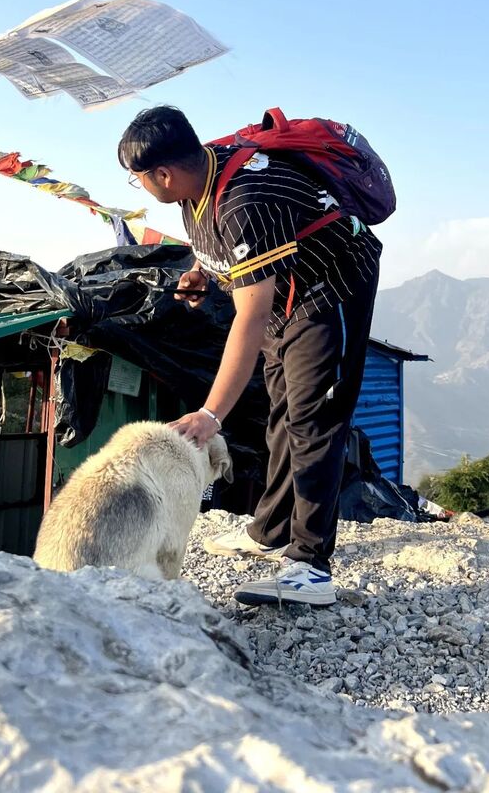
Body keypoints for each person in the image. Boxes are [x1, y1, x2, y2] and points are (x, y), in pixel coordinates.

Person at [118, 106, 382, 606]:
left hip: (330, 289)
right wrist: (202, 273)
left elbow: (249, 317)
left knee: (314, 419)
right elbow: (219, 243)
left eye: (138, 180)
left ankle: (310, 564)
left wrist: (210, 414)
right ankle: (271, 530)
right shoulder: (199, 179)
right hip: (288, 294)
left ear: (163, 173)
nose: (142, 188)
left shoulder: (246, 200)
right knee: (281, 410)